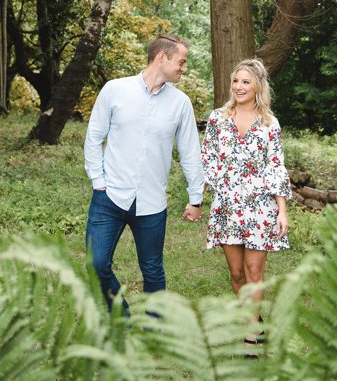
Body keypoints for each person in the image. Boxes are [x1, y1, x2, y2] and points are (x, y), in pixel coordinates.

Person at [84, 35, 205, 312]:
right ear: (162, 57)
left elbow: (190, 153)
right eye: (181, 62)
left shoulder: (181, 103)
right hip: (109, 197)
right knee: (96, 263)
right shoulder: (115, 90)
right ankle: (121, 318)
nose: (183, 69)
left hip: (151, 202)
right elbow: (94, 137)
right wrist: (98, 181)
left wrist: (195, 198)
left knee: (152, 270)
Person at [200, 58, 290, 347]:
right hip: (227, 206)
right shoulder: (217, 118)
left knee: (254, 272)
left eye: (245, 82)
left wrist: (282, 211)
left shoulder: (269, 124)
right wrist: (218, 187)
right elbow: (208, 157)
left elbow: (276, 166)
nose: (238, 87)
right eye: (236, 81)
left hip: (260, 207)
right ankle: (253, 317)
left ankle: (251, 332)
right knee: (237, 273)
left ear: (258, 86)